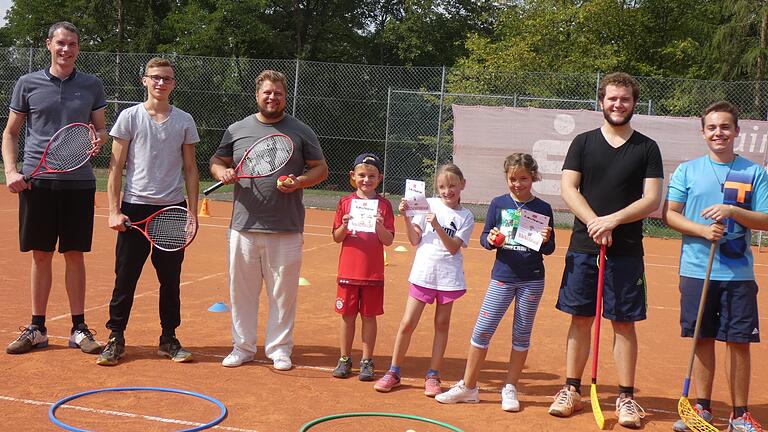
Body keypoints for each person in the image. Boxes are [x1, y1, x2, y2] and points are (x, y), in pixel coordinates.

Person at [548, 72, 663, 429]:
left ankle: (626, 397)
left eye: (625, 99)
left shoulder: (647, 147)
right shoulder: (582, 143)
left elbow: (652, 199)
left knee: (623, 322)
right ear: (601, 102)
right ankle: (571, 389)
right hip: (585, 246)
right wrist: (594, 223)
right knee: (580, 318)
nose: (618, 104)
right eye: (612, 98)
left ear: (634, 103)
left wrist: (611, 221)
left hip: (626, 249)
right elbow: (569, 189)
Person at [210, 69, 328, 370]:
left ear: (285, 96)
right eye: (267, 92)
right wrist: (221, 172)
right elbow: (217, 160)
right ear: (257, 95)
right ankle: (243, 347)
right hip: (243, 226)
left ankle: (279, 349)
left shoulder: (301, 130)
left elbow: (320, 169)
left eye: (278, 93)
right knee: (242, 292)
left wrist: (299, 181)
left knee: (283, 295)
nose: (272, 97)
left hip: (286, 228)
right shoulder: (237, 129)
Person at [2, 22, 107, 355]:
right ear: (49, 44)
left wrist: (97, 141)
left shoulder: (92, 85)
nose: (67, 49)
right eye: (61, 43)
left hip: (78, 182)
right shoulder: (27, 83)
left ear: (78, 48)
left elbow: (101, 130)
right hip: (38, 180)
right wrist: (11, 170)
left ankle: (78, 328)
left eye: (73, 44)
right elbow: (10, 133)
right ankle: (37, 327)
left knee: (74, 255)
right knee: (41, 255)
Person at [663, 101, 766, 432]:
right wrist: (703, 230)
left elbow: (765, 219)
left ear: (736, 131)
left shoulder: (753, 172)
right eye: (712, 127)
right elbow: (670, 214)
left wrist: (733, 212)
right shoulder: (687, 170)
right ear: (703, 132)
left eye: (725, 127)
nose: (718, 133)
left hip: (737, 273)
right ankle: (703, 408)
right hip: (696, 269)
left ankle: (739, 414)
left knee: (738, 342)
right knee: (702, 338)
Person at [96, 57, 200, 366]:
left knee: (170, 279)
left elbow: (191, 169)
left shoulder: (184, 120)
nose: (160, 83)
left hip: (171, 209)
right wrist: (113, 211)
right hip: (134, 210)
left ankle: (169, 339)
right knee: (125, 278)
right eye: (155, 77)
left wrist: (191, 213)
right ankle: (115, 338)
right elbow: (115, 168)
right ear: (144, 80)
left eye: (166, 78)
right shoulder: (129, 117)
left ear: (173, 84)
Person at [436, 153, 555, 411]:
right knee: (482, 330)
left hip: (532, 281)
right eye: (512, 178)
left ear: (532, 177)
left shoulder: (543, 209)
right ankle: (469, 386)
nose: (517, 184)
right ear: (506, 178)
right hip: (502, 277)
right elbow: (484, 241)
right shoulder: (498, 204)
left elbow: (549, 249)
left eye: (523, 178)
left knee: (521, 335)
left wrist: (546, 240)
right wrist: (491, 239)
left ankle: (510, 387)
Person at [373, 163, 474, 396]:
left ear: (462, 185)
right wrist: (406, 217)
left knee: (441, 325)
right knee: (408, 322)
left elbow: (452, 248)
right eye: (441, 187)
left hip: (448, 277)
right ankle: (394, 371)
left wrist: (437, 225)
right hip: (424, 273)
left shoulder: (466, 216)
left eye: (452, 186)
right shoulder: (427, 204)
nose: (447, 191)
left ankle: (433, 375)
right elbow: (414, 240)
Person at [331, 153, 395, 381]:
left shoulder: (384, 205)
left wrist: (379, 226)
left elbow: (388, 240)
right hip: (348, 272)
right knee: (347, 317)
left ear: (379, 178)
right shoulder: (345, 203)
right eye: (362, 175)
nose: (366, 180)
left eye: (371, 176)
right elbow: (337, 237)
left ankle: (367, 360)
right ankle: (345, 358)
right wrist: (345, 225)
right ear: (352, 176)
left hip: (372, 274)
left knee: (369, 317)